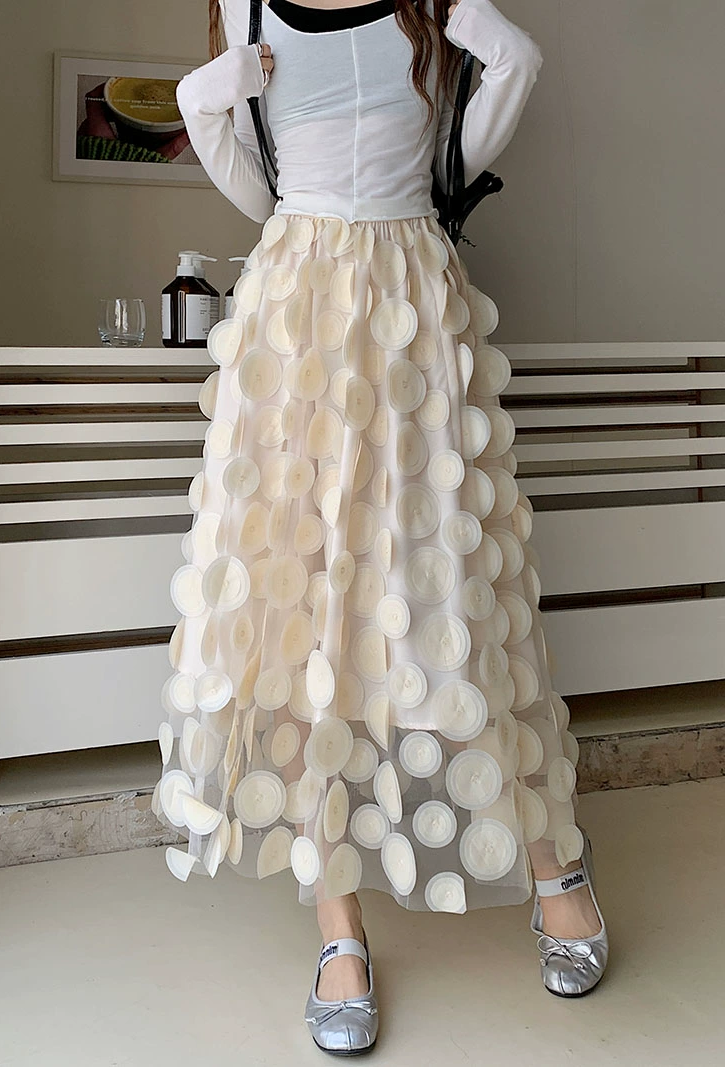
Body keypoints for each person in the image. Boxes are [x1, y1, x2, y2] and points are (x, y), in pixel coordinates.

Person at [153, 0, 609, 1054]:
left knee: (457, 589)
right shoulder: (247, 5)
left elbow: (459, 155)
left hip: (414, 306)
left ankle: (556, 863)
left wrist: (489, 34)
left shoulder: (432, 8)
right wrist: (202, 100)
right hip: (295, 320)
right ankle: (337, 923)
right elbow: (260, 194)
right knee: (302, 600)